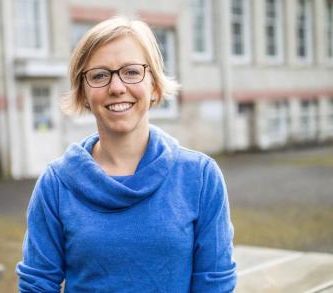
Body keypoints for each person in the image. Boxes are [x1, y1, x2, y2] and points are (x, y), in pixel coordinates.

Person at [17, 16, 237, 292]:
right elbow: (37, 284)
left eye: (132, 72)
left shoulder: (200, 177)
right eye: (99, 75)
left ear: (154, 86)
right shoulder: (56, 184)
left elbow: (214, 284)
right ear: (84, 93)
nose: (117, 87)